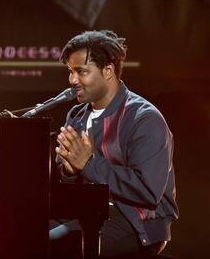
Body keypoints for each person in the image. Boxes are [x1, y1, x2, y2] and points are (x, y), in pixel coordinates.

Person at [49, 30, 179, 258]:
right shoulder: (77, 115)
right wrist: (68, 171)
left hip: (136, 221)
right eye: (70, 72)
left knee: (54, 244)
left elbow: (147, 192)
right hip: (88, 211)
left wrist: (88, 163)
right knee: (19, 231)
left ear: (107, 71)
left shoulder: (144, 118)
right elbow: (68, 175)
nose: (72, 80)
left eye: (81, 72)